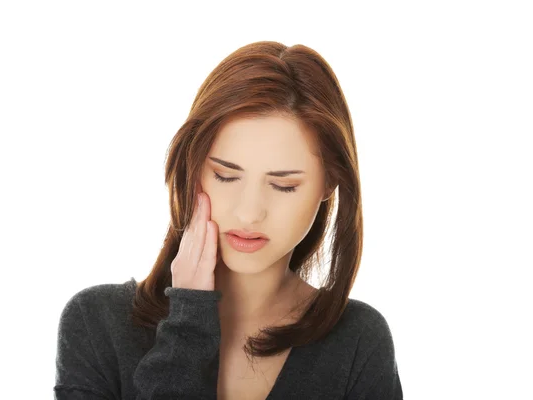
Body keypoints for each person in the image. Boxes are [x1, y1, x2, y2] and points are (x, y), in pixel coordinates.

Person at [54, 41, 403, 399]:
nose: (249, 212)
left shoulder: (358, 342)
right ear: (193, 168)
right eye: (226, 176)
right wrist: (189, 321)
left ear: (329, 183)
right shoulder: (97, 325)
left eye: (283, 185)